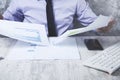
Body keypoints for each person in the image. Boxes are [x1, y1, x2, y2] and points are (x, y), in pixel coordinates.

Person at [0, 0, 114, 36]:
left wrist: (102, 26)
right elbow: (7, 23)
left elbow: (92, 23)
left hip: (65, 46)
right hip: (31, 46)